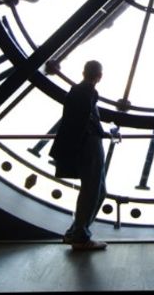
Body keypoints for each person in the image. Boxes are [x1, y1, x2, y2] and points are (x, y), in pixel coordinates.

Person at [49, 60, 109, 251]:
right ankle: (80, 234)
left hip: (81, 145)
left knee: (91, 189)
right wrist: (102, 132)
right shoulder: (89, 92)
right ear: (99, 76)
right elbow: (87, 119)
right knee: (94, 190)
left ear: (84, 72)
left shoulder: (77, 90)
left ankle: (78, 232)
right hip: (89, 145)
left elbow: (78, 119)